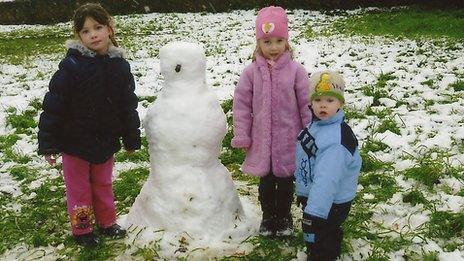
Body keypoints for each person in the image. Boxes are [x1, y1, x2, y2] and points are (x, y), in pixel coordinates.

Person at [37, 3, 141, 247]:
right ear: (78, 36)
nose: (93, 34)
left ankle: (107, 222)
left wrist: (130, 136)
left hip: (105, 141)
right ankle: (82, 229)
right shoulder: (71, 67)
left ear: (109, 29)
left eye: (98, 27)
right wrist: (49, 143)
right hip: (74, 143)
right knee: (79, 189)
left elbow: (128, 105)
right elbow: (54, 105)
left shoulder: (120, 66)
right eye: (85, 31)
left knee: (104, 184)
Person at [232, 6, 311, 237]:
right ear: (258, 44)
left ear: (286, 41)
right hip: (262, 140)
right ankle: (268, 217)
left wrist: (309, 133)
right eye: (267, 42)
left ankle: (284, 217)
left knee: (286, 182)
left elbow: (306, 104)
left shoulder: (296, 72)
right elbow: (242, 105)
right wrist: (243, 135)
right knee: (266, 182)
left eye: (279, 41)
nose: (274, 47)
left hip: (289, 139)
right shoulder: (251, 73)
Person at [294, 71, 362, 260]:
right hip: (320, 198)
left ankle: (324, 254)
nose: (323, 105)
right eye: (318, 100)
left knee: (322, 234)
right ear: (311, 103)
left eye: (330, 100)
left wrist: (314, 214)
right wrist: (304, 190)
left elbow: (327, 180)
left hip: (331, 202)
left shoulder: (335, 142)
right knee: (322, 232)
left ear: (341, 103)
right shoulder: (317, 127)